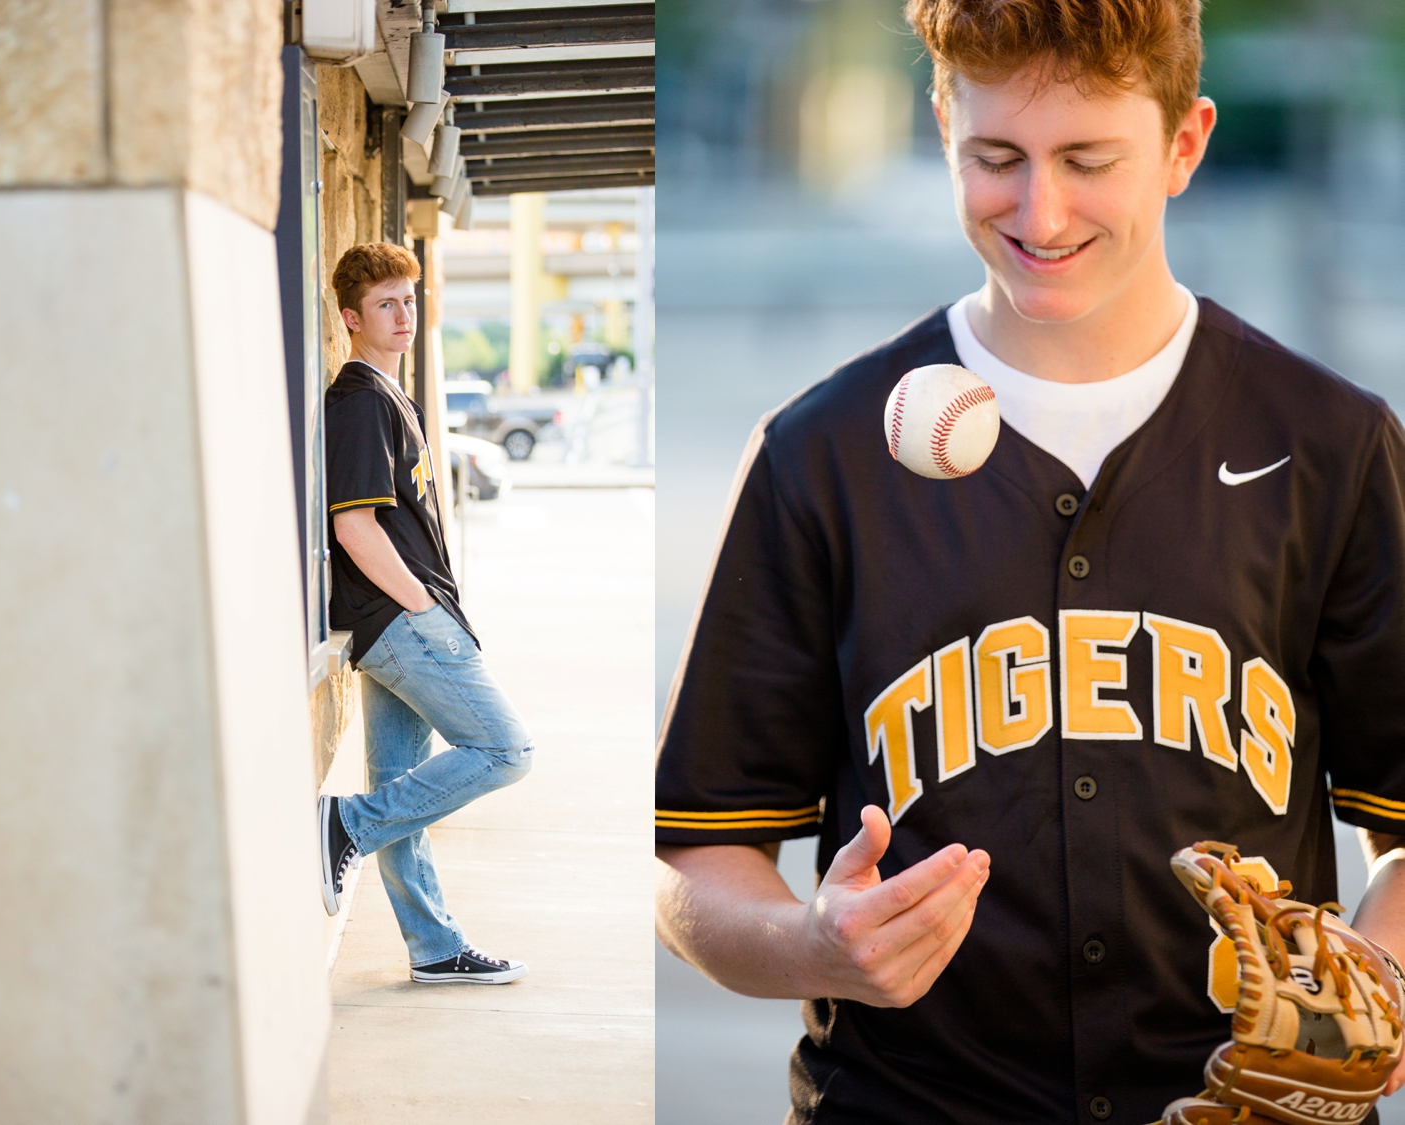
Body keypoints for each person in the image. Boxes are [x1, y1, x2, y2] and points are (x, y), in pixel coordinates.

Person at [654, 0, 1405, 1120]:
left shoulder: (1331, 442)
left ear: (1184, 146)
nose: (1039, 210)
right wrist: (809, 945)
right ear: (944, 126)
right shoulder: (822, 451)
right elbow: (694, 860)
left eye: (1088, 159)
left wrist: (1376, 979)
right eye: (995, 158)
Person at [317, 242, 532, 985]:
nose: (403, 313)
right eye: (385, 303)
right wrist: (424, 607)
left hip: (400, 622)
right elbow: (356, 528)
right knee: (507, 750)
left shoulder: (391, 396)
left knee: (401, 780)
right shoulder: (359, 403)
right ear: (351, 317)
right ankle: (344, 824)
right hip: (403, 623)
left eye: (409, 299)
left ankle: (433, 945)